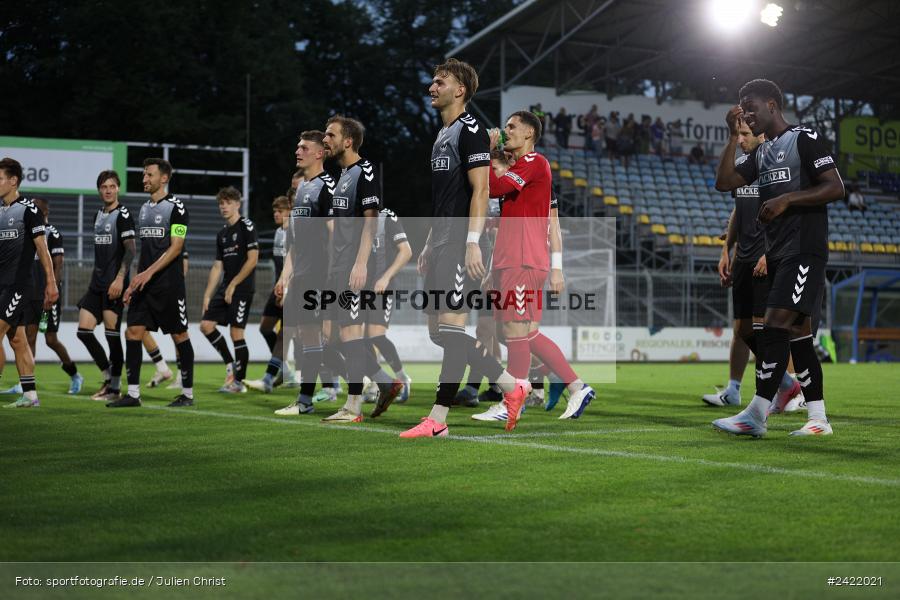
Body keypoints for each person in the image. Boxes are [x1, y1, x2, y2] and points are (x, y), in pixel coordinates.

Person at [399, 58, 528, 438]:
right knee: (440, 332)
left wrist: (472, 244)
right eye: (431, 81)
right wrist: (426, 243)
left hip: (459, 242)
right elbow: (443, 197)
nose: (431, 87)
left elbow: (481, 190)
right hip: (440, 241)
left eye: (439, 82)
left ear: (460, 90)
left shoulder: (469, 129)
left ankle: (437, 419)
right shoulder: (442, 135)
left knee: (452, 329)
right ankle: (511, 386)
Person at [712, 78, 844, 437]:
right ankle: (818, 419)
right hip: (780, 253)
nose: (746, 113)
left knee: (772, 328)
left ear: (772, 104)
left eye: (751, 106)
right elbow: (725, 182)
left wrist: (788, 199)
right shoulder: (761, 153)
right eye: (742, 107)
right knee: (798, 338)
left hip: (804, 250)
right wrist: (729, 136)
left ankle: (756, 414)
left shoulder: (804, 139)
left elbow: (835, 186)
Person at [482, 111, 595, 422]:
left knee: (517, 332)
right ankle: (573, 385)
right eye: (504, 126)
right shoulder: (520, 171)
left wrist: (487, 152)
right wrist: (494, 266)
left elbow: (494, 188)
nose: (505, 131)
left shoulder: (534, 163)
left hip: (525, 259)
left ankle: (512, 401)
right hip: (510, 259)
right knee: (520, 334)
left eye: (511, 126)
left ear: (529, 133)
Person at [703, 118, 802, 411]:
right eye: (739, 134)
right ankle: (738, 389)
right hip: (743, 259)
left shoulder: (774, 167)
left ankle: (788, 390)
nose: (741, 139)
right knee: (742, 330)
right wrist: (726, 250)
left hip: (767, 258)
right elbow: (738, 210)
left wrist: (768, 254)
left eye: (745, 134)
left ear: (761, 135)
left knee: (771, 331)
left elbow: (787, 213)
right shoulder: (745, 168)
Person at [314, 116, 387, 423]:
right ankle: (384, 382)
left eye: (330, 135)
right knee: (330, 340)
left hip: (355, 267)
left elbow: (370, 220)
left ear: (348, 141)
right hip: (337, 268)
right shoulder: (341, 176)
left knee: (351, 334)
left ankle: (354, 405)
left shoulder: (364, 171)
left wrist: (360, 263)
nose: (325, 140)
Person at [110, 158, 194, 408]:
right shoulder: (145, 208)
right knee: (133, 331)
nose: (144, 179)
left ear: (164, 178)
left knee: (179, 335)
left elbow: (176, 247)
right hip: (144, 285)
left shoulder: (177, 208)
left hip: (169, 285)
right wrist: (133, 282)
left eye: (149, 175)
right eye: (144, 175)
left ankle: (187, 395)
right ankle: (133, 394)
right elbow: (143, 252)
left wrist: (147, 274)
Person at [272, 130, 335, 414]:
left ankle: (375, 381)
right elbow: (295, 244)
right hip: (302, 275)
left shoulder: (327, 186)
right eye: (297, 146)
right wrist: (286, 276)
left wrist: (333, 278)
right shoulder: (302, 190)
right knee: (308, 337)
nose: (298, 151)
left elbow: (336, 236)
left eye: (304, 147)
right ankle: (306, 400)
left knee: (331, 336)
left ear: (320, 153)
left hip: (321, 276)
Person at [0, 157, 58, 408]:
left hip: (18, 285)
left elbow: (42, 248)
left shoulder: (29, 209)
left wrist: (51, 282)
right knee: (17, 340)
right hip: (1, 284)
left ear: (13, 181)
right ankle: (30, 395)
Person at [73, 170, 134, 402]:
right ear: (99, 190)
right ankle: (108, 377)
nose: (108, 190)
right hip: (96, 284)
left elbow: (130, 250)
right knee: (83, 331)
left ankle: (115, 388)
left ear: (118, 188)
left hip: (114, 285)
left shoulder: (123, 214)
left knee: (112, 336)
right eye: (103, 186)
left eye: (112, 186)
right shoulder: (97, 215)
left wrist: (120, 279)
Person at [200, 186, 259, 394]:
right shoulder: (222, 234)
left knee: (236, 333)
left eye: (227, 203)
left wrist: (234, 284)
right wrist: (207, 294)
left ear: (237, 204)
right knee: (206, 325)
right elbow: (217, 266)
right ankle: (230, 366)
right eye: (221, 203)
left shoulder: (246, 226)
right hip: (226, 288)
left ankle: (238, 383)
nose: (223, 207)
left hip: (242, 288)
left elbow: (253, 260)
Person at [245, 195, 292, 393]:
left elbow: (295, 264)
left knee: (286, 335)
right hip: (279, 287)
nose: (276, 214)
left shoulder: (296, 233)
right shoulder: (278, 233)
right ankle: (285, 370)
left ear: (290, 212)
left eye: (280, 211)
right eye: (274, 211)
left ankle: (268, 378)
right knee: (265, 327)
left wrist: (287, 287)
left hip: (292, 288)